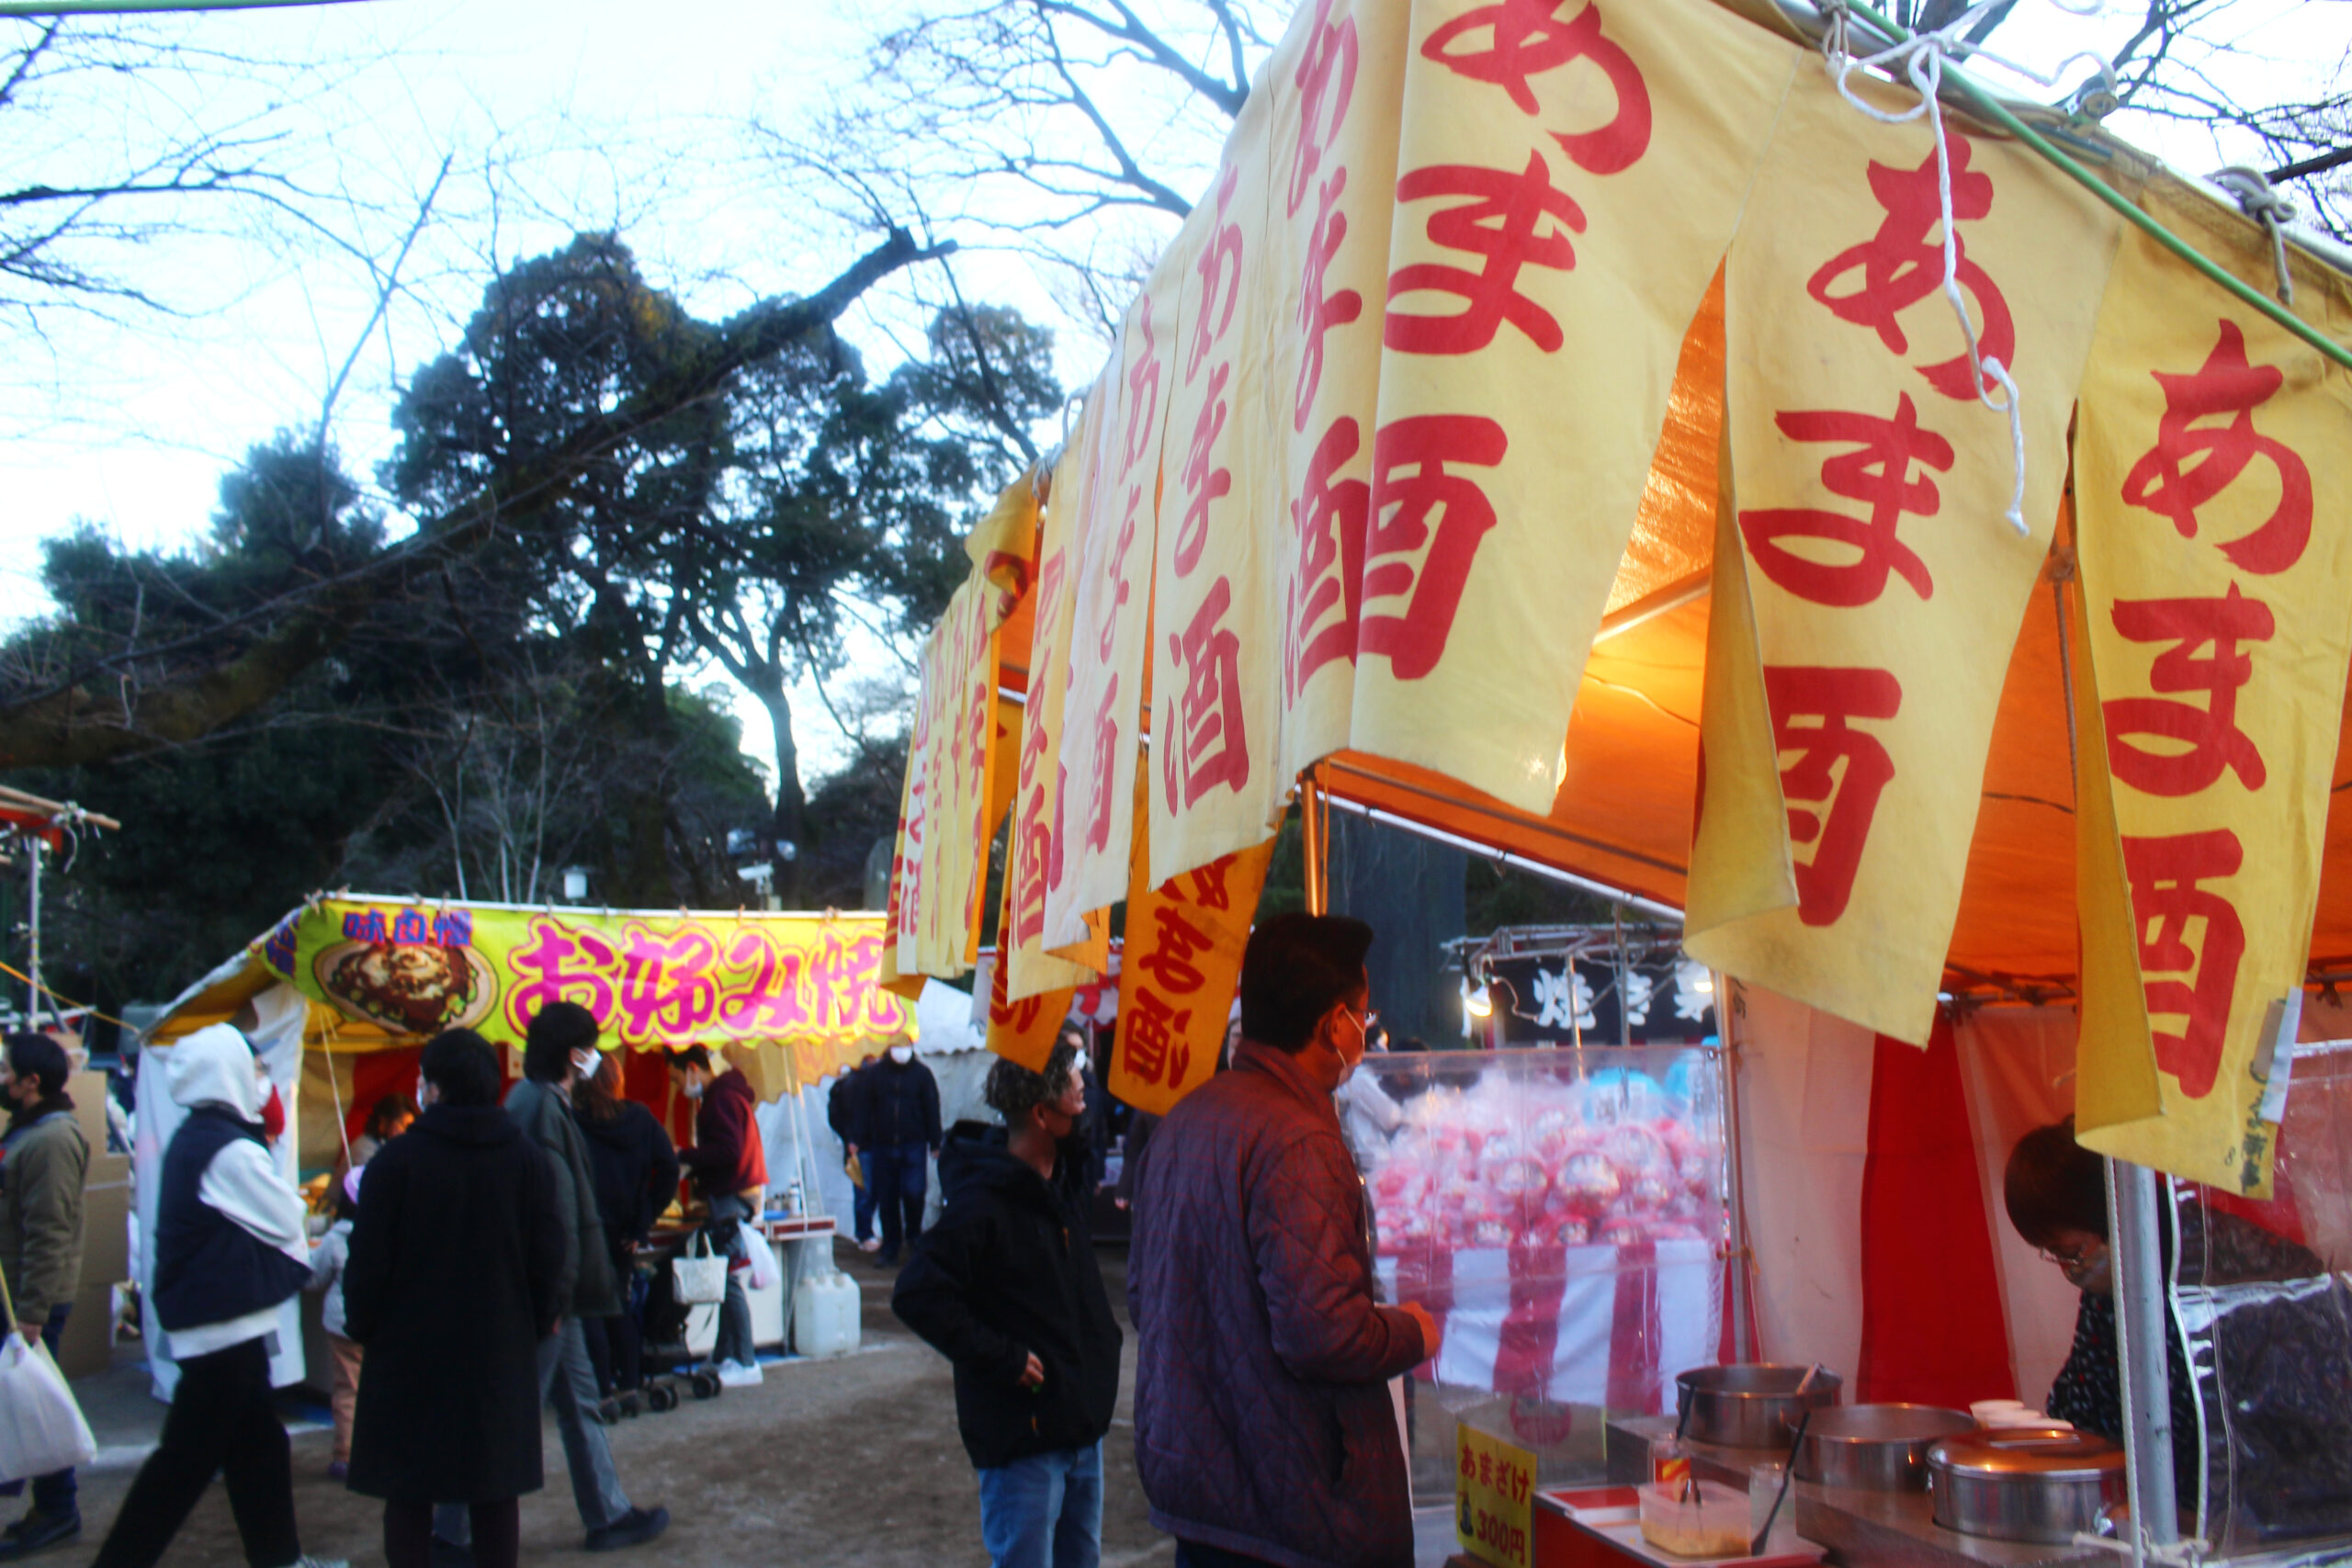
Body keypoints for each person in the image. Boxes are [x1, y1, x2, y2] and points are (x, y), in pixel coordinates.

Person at [1128, 913, 1440, 1568]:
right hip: (1295, 1512)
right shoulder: (1297, 1139)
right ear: (1333, 1024)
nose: (1367, 1025)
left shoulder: (1184, 1120)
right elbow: (1321, 1332)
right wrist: (1412, 1331)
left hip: (1206, 1497)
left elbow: (1142, 1297)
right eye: (1362, 1011)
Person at [2004, 1118, 2349, 1530]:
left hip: (2276, 1532)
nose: (2067, 1269)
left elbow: (2303, 1439)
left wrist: (2201, 1521)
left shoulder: (2232, 1271)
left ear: (2111, 1213)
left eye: (2071, 1252)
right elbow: (2085, 1404)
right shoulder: (2118, 1282)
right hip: (2177, 1524)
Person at [90, 1023, 342, 1568]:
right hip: (220, 1326)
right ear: (225, 1073)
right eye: (252, 1068)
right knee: (184, 1462)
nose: (261, 1079)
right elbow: (285, 1215)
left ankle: (280, 1558)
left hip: (223, 1323)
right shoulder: (228, 1149)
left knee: (258, 1447)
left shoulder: (199, 1134)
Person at [433, 1003, 667, 1557]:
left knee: (580, 1402)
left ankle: (607, 1513)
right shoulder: (539, 1110)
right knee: (505, 1419)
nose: (596, 1056)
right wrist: (556, 1295)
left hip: (555, 1297)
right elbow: (553, 1214)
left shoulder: (537, 1103)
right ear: (573, 1055)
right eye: (590, 1047)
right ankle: (451, 1532)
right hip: (547, 1299)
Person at [894, 1040, 1122, 1568]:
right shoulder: (983, 1202)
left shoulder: (1060, 1187)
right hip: (1024, 1441)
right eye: (1073, 1094)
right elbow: (917, 1293)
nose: (1083, 1101)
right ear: (1042, 1114)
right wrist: (1004, 1359)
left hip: (1080, 1427)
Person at [344, 1029, 566, 1568]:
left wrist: (365, 1326)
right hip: (499, 1350)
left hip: (408, 1351)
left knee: (409, 1493)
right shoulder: (528, 1162)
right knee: (494, 1491)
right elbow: (550, 1261)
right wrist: (534, 1324)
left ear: (433, 1086)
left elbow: (367, 1263)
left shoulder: (394, 1164)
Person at [0, 1032, 89, 1559]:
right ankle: (52, 1506)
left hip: (29, 1305)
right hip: (15, 1298)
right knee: (21, 1405)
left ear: (31, 1082)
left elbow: (50, 1230)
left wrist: (30, 1315)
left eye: (8, 1071)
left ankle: (58, 1510)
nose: (2, 1079)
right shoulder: (27, 1131)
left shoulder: (52, 1139)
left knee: (36, 1406)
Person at [576, 1051, 679, 1410]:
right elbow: (669, 1170)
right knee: (620, 1307)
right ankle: (630, 1388)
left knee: (591, 1313)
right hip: (626, 1233)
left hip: (586, 1231)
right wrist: (644, 1219)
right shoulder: (641, 1120)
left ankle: (603, 1392)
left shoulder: (574, 1123)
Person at [663, 1044, 767, 1387]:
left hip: (732, 1196)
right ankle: (725, 1356)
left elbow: (728, 1150)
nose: (680, 1087)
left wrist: (686, 1156)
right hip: (741, 1193)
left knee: (727, 1281)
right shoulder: (726, 1095)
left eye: (679, 1078)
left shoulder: (720, 1100)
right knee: (726, 1278)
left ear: (693, 1067)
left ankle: (745, 1361)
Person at [854, 1038, 941, 1267]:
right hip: (883, 1144)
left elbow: (932, 1107)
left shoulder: (922, 1074)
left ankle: (913, 1237)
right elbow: (864, 1107)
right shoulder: (876, 1075)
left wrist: (935, 1141)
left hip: (913, 1143)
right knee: (887, 1198)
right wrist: (857, 1138)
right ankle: (891, 1246)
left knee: (914, 1192)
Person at [304, 1170, 365, 1480]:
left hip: (342, 1324)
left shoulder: (335, 1238)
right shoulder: (395, 1230)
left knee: (347, 1390)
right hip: (381, 1322)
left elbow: (314, 1279)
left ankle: (345, 1455)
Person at [831, 1055, 880, 1252]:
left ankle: (867, 1233)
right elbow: (839, 1115)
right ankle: (865, 1234)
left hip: (872, 1144)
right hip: (863, 1146)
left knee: (871, 1191)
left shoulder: (858, 1081)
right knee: (864, 1191)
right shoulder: (852, 1084)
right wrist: (851, 1138)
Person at [349, 1094, 417, 1167]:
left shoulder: (391, 1149)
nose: (406, 1132)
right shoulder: (364, 1149)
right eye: (403, 1125)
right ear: (384, 1122)